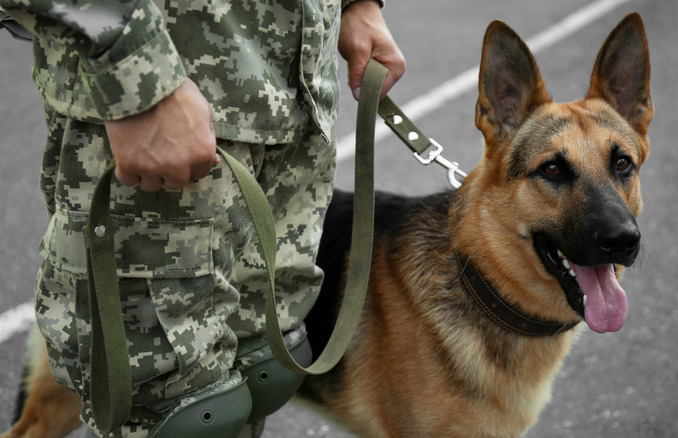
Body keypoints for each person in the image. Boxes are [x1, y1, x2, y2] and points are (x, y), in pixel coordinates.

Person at [0, 0, 405, 436]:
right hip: (169, 96)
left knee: (259, 370)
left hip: (293, 100)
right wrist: (138, 77)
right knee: (176, 414)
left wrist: (354, 5)